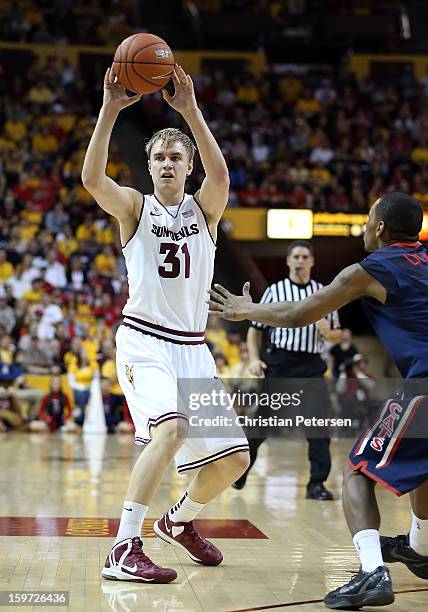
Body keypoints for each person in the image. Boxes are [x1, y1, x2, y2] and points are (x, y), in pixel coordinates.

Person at [208, 192, 428, 609]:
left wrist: (247, 309)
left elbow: (296, 315)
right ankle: (420, 547)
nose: (365, 225)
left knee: (358, 473)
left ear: (379, 227)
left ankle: (370, 573)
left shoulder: (372, 268)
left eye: (367, 218)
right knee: (421, 466)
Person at [82, 63, 249, 583]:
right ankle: (123, 546)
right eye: (159, 157)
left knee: (233, 461)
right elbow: (91, 179)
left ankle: (177, 522)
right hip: (145, 342)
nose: (167, 163)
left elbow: (221, 177)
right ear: (150, 166)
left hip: (193, 348)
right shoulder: (135, 207)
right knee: (172, 428)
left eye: (176, 156)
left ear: (189, 163)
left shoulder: (205, 211)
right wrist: (110, 108)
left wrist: (190, 111)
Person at [233, 240, 342, 500]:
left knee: (318, 427)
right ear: (288, 261)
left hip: (311, 366)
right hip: (279, 364)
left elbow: (337, 334)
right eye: (296, 256)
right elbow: (255, 329)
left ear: (312, 262)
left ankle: (316, 483)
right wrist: (254, 359)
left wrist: (331, 334)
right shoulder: (274, 291)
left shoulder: (324, 293)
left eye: (305, 256)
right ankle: (240, 471)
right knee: (261, 423)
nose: (300, 261)